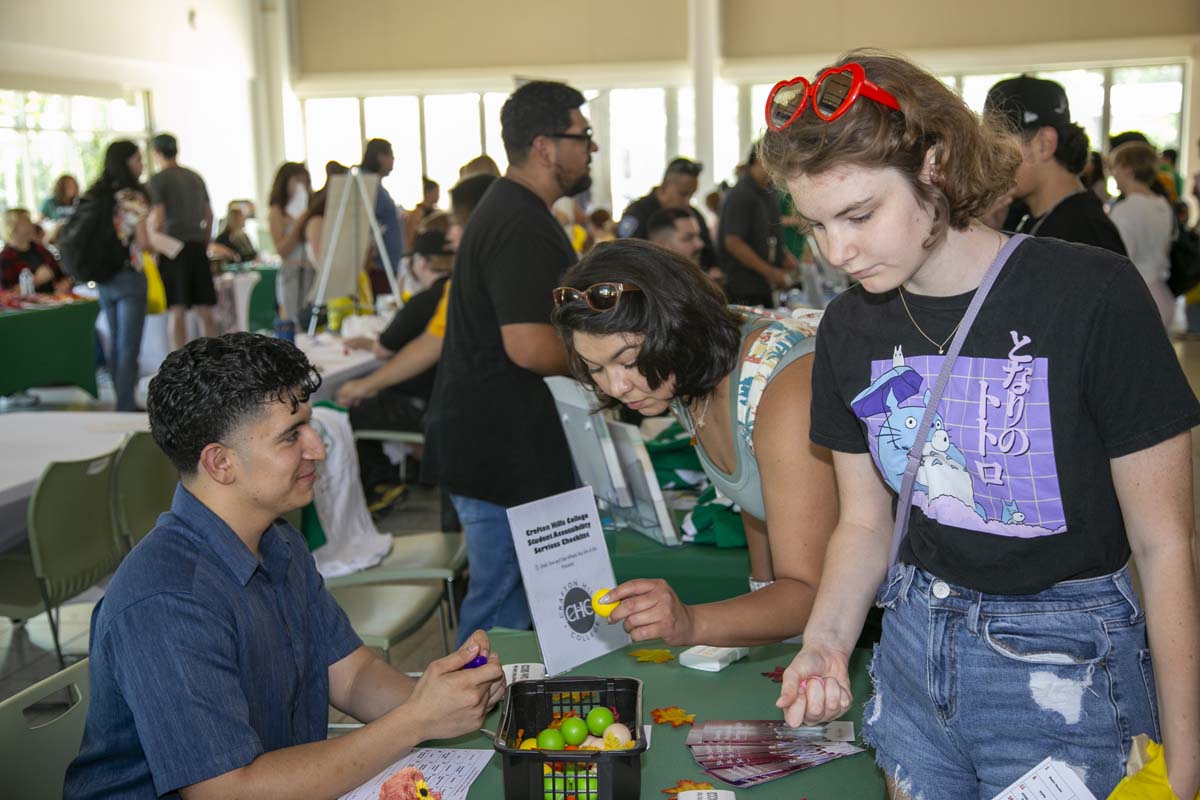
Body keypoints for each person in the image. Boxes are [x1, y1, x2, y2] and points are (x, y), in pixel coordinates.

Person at [759, 51, 1200, 799]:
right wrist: (827, 644)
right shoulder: (847, 327)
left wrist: (1187, 766)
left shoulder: (1088, 295)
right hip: (913, 651)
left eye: (860, 214)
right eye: (816, 226)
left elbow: (1165, 545)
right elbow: (866, 523)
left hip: (1068, 670)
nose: (838, 252)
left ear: (934, 163)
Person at [63, 333, 505, 799]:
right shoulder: (168, 600)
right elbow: (227, 792)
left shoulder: (278, 543)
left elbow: (351, 675)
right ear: (221, 463)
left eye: (309, 426)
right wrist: (414, 721)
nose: (317, 447)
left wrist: (446, 703)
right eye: (291, 435)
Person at [552, 240, 836, 646]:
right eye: (595, 368)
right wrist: (761, 586)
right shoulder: (683, 369)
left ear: (678, 325)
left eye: (628, 362)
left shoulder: (784, 391)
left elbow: (813, 593)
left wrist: (691, 623)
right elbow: (757, 488)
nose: (616, 386)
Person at [423, 81, 595, 645]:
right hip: (499, 452)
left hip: (505, 444)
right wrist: (603, 368)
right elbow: (527, 344)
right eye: (582, 136)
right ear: (546, 146)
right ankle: (459, 725)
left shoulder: (518, 211)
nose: (589, 148)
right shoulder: (520, 221)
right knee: (497, 611)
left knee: (520, 605)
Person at [334, 174, 498, 415]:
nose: (451, 236)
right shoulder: (462, 282)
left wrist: (365, 385)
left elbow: (427, 344)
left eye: (455, 224)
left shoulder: (462, 286)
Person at [346, 229, 455, 508]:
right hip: (443, 404)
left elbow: (386, 349)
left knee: (345, 408)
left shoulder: (424, 301)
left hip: (420, 407)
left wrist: (363, 381)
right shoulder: (459, 292)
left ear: (420, 263)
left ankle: (380, 482)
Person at [983, 76, 1126, 254]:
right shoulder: (1035, 217)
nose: (990, 161)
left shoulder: (1085, 238)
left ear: (1044, 144)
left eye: (998, 147)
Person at [88, 140, 149, 412]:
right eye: (138, 159)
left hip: (103, 277)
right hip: (129, 274)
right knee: (129, 344)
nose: (141, 165)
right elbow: (143, 240)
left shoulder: (98, 193)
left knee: (114, 342)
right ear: (126, 162)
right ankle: (125, 402)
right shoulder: (132, 197)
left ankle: (120, 397)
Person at [147, 132, 217, 349]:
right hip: (197, 246)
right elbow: (209, 215)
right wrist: (204, 243)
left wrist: (153, 246)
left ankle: (178, 363)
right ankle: (214, 359)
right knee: (205, 310)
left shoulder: (158, 181)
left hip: (173, 249)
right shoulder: (195, 177)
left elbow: (158, 217)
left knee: (177, 310)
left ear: (156, 153)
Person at [1109, 141, 1176, 327]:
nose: (1113, 174)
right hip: (1163, 295)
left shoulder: (1124, 210)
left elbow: (1120, 259)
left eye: (1115, 168)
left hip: (1139, 297)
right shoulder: (1162, 204)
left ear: (1127, 170)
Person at [717, 146, 793, 307]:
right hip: (745, 288)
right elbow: (733, 242)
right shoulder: (740, 195)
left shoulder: (768, 192)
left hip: (765, 286)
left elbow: (770, 232)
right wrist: (769, 272)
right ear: (760, 159)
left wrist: (784, 255)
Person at [616, 157, 716, 267]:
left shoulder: (692, 215)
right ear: (666, 186)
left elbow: (708, 253)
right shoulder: (637, 214)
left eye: (691, 196)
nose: (686, 202)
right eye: (683, 194)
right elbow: (624, 256)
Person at [267, 162, 314, 323]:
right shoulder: (277, 212)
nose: (302, 187)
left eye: (305, 182)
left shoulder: (310, 209)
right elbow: (282, 250)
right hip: (291, 274)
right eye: (297, 181)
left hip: (310, 272)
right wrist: (299, 225)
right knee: (294, 322)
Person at [361, 139, 405, 283]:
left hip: (386, 264)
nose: (393, 160)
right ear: (380, 156)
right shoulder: (367, 184)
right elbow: (364, 222)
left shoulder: (376, 186)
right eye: (391, 156)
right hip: (378, 267)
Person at [0, 208, 70, 293]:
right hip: (29, 305)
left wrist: (64, 285)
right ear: (12, 226)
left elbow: (64, 277)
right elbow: (5, 294)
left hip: (54, 302)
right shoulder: (5, 259)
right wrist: (35, 280)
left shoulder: (42, 251)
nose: (31, 224)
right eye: (26, 221)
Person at [404, 176, 441, 247]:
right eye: (436, 192)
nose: (438, 196)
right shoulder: (418, 212)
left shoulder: (436, 212)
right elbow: (410, 235)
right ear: (428, 193)